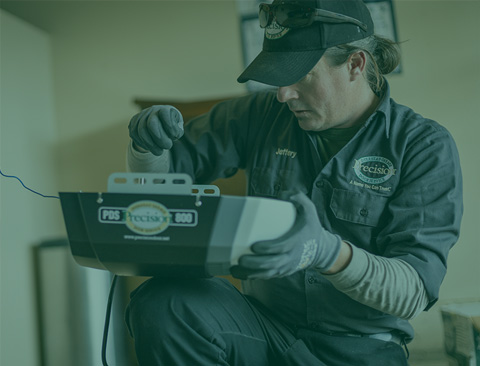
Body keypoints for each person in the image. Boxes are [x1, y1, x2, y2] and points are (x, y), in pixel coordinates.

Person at [124, 0, 463, 365]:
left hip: (360, 347)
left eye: (301, 75)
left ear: (355, 65)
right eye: (279, 75)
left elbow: (412, 291)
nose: (284, 93)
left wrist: (329, 254)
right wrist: (147, 147)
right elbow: (160, 184)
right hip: (263, 327)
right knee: (163, 304)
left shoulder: (423, 145)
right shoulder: (261, 114)